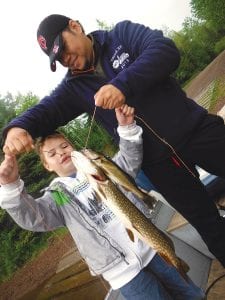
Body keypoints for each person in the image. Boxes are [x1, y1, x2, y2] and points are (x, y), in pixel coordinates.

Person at [2, 14, 225, 268]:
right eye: (58, 58)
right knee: (211, 228)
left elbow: (165, 50)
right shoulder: (72, 89)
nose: (65, 59)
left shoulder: (121, 35)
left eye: (63, 48)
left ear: (75, 27)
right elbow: (44, 111)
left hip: (198, 130)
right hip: (159, 167)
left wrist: (121, 85)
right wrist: (16, 128)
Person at [0, 105, 204, 300]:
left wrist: (126, 128)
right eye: (52, 154)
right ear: (46, 165)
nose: (61, 152)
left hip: (152, 249)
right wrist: (11, 188)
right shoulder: (58, 196)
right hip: (121, 273)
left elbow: (128, 161)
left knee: (192, 294)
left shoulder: (100, 169)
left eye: (64, 146)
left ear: (73, 147)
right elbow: (34, 218)